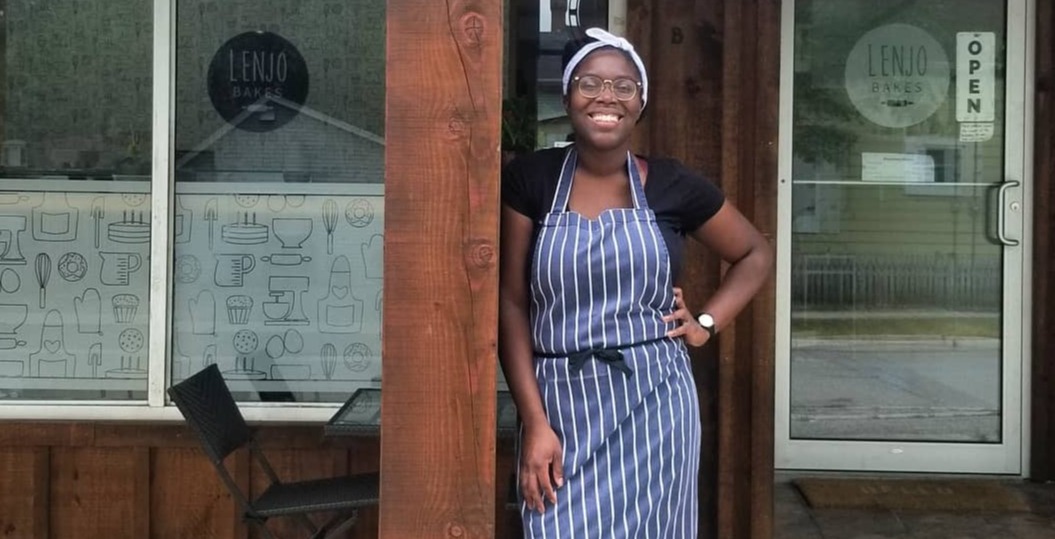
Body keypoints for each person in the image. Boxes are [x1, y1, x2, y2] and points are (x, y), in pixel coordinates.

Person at [498, 27, 773, 537]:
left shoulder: (672, 184)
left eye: (624, 86)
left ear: (641, 102)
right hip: (560, 406)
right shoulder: (531, 181)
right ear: (567, 96)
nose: (607, 97)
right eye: (590, 83)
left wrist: (706, 323)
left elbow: (755, 253)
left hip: (655, 405)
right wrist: (534, 421)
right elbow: (512, 305)